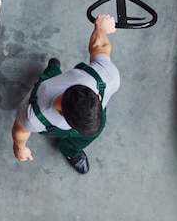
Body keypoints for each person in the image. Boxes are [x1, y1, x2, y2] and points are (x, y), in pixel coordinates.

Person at [11, 14, 120, 174]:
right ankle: (52, 69)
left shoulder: (108, 77)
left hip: (60, 84)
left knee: (54, 74)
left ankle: (70, 150)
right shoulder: (33, 116)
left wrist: (101, 29)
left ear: (98, 97)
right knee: (48, 77)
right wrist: (20, 148)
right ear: (62, 114)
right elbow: (20, 130)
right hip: (44, 90)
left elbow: (100, 47)